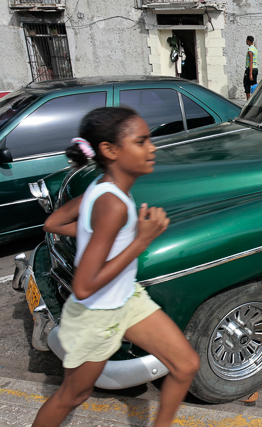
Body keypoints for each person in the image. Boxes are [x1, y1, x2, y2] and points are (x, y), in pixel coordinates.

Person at [32, 107, 200, 427]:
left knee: (185, 365)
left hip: (126, 299)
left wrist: (95, 235)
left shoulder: (103, 186)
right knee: (73, 395)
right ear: (110, 151)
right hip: (96, 314)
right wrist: (139, 240)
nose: (152, 148)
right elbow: (83, 286)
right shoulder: (112, 203)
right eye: (142, 142)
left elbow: (53, 222)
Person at [244, 35, 258, 100]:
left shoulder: (250, 50)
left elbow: (251, 62)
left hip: (250, 69)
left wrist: (250, 74)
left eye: (247, 40)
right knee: (254, 85)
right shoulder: (255, 49)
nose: (246, 41)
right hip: (255, 68)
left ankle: (248, 101)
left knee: (247, 84)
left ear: (249, 41)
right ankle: (255, 100)